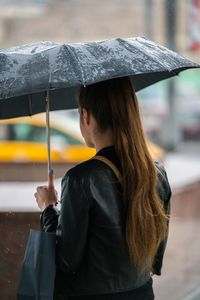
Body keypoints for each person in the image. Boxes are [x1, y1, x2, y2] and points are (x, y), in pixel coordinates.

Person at [34, 76, 171, 300]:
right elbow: (155, 257)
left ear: (86, 116)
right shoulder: (157, 173)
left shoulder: (81, 179)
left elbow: (66, 261)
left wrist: (49, 208)